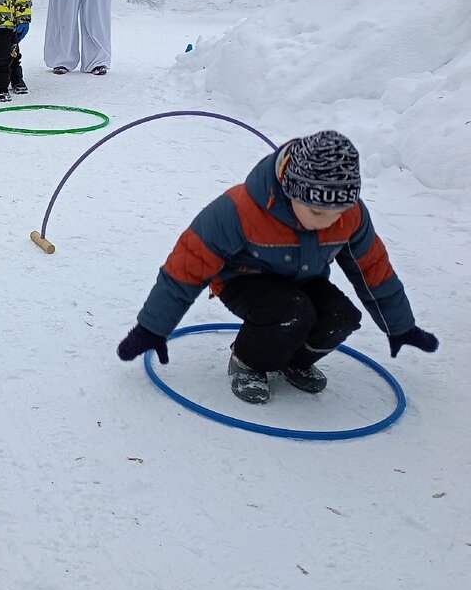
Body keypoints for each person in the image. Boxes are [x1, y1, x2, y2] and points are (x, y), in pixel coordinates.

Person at [117, 130, 438, 404]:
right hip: (244, 279)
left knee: (342, 317)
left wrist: (401, 326)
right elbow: (185, 269)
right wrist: (152, 328)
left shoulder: (351, 215)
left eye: (337, 212)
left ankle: (293, 361)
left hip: (302, 277)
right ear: (291, 190)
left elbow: (374, 272)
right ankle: (247, 361)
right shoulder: (238, 210)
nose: (327, 221)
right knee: (292, 312)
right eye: (316, 211)